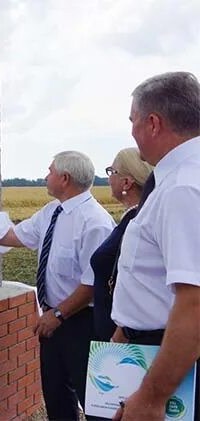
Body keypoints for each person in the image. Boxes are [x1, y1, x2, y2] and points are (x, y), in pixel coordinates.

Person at [0, 151, 115, 420]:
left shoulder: (94, 222)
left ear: (65, 178)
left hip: (81, 321)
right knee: (56, 394)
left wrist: (59, 314)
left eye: (49, 171)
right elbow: (16, 236)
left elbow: (91, 283)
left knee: (93, 398)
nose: (45, 176)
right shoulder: (52, 212)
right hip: (52, 319)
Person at [111, 72, 200, 421]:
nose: (131, 132)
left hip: (170, 361)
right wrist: (125, 327)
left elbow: (194, 302)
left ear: (152, 123)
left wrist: (151, 398)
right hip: (150, 349)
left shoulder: (182, 188)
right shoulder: (177, 179)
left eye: (133, 121)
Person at [90, 148, 153, 341]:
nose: (109, 178)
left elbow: (143, 285)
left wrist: (122, 333)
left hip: (126, 342)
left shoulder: (137, 224)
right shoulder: (133, 220)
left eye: (112, 171)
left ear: (127, 182)